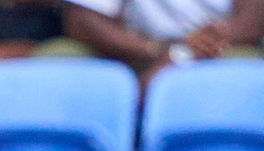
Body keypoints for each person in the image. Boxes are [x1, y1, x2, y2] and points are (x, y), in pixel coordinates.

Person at [49, 0, 264, 83]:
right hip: (136, 50)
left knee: (246, 68)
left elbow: (251, 22)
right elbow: (82, 20)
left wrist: (189, 52)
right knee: (61, 55)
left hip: (218, 48)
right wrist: (158, 51)